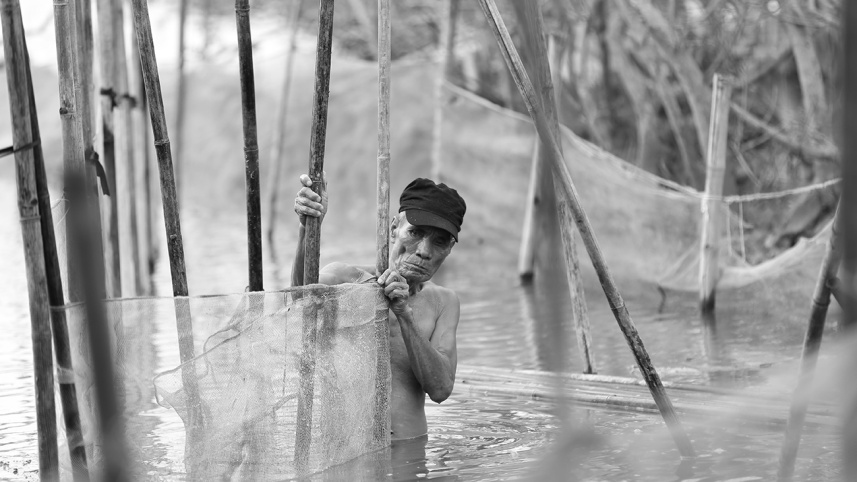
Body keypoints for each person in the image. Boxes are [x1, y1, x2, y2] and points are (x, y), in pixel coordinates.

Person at [292, 174, 466, 440]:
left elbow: (441, 389)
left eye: (439, 242)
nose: (423, 251)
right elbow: (298, 303)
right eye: (415, 233)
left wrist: (404, 314)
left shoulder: (443, 302)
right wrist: (308, 228)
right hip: (345, 451)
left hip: (410, 452)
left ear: (450, 249)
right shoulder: (344, 279)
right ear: (394, 227)